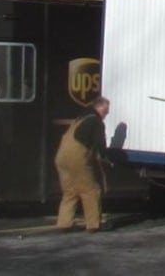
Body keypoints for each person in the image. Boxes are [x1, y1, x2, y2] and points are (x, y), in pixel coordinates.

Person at [55, 96, 112, 232]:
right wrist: (106, 157)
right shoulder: (96, 121)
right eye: (106, 110)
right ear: (99, 107)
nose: (107, 113)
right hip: (77, 158)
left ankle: (64, 224)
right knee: (91, 190)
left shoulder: (81, 118)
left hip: (61, 157)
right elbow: (100, 144)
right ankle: (94, 225)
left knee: (70, 191)